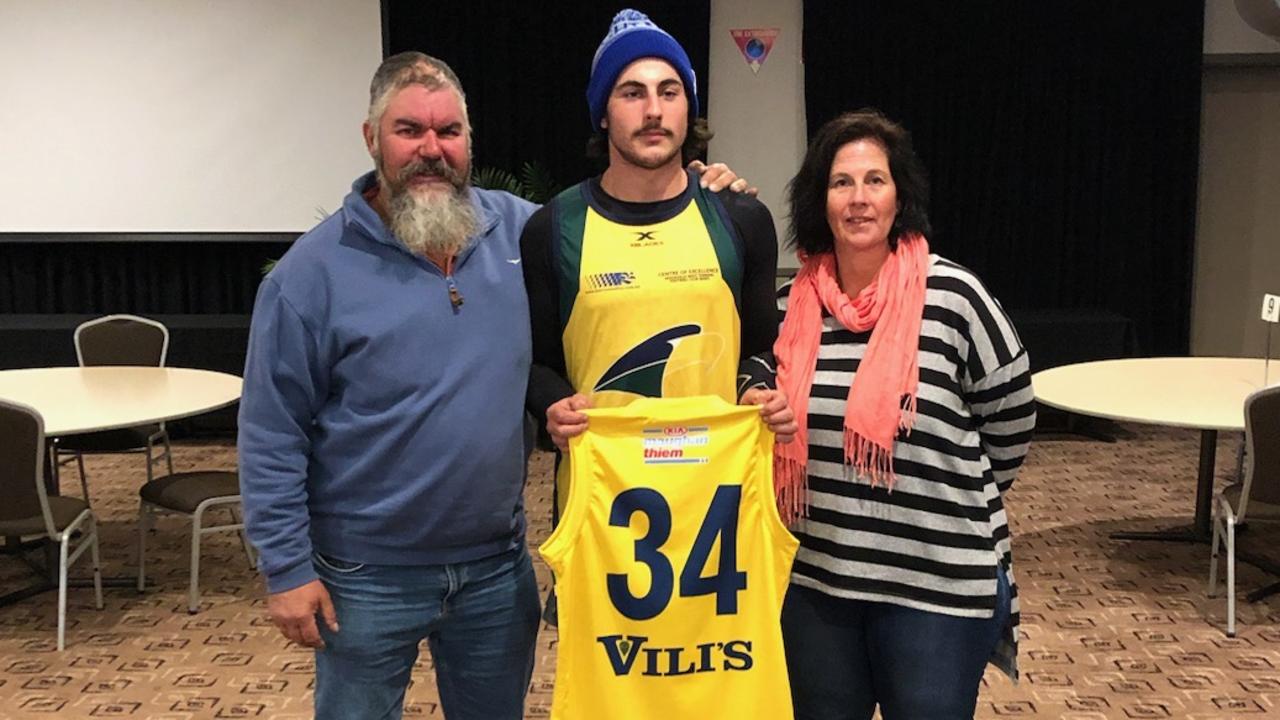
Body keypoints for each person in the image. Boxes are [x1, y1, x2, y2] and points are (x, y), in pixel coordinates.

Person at [238, 51, 747, 720]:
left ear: (469, 142)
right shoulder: (309, 276)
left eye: (448, 132)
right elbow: (272, 433)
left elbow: (624, 237)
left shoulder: (524, 233)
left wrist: (702, 196)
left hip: (496, 571)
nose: (431, 150)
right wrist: (286, 570)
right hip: (365, 578)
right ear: (372, 139)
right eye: (409, 131)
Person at [758, 109, 1036, 719]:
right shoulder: (785, 311)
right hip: (816, 584)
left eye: (875, 181)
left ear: (900, 195)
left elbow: (1011, 422)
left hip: (935, 586)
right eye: (841, 183)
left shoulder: (956, 298)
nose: (859, 199)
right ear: (819, 200)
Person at [522, 9, 795, 496]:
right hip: (602, 498)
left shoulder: (742, 219)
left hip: (717, 497)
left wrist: (755, 391)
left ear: (687, 108)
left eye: (669, 92)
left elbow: (759, 348)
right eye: (632, 92)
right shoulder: (554, 227)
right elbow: (535, 363)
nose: (653, 109)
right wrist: (554, 406)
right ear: (603, 112)